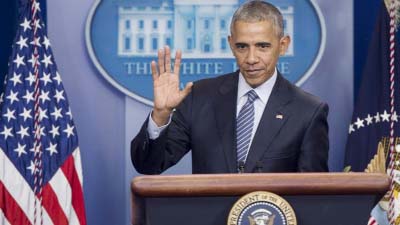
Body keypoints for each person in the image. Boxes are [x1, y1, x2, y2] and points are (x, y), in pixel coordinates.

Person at [131, 0, 329, 174]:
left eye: (263, 46)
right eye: (242, 46)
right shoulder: (199, 97)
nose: (251, 59)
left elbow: (313, 194)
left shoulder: (308, 111)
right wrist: (160, 115)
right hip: (210, 216)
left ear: (283, 45)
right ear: (231, 44)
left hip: (269, 218)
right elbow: (148, 166)